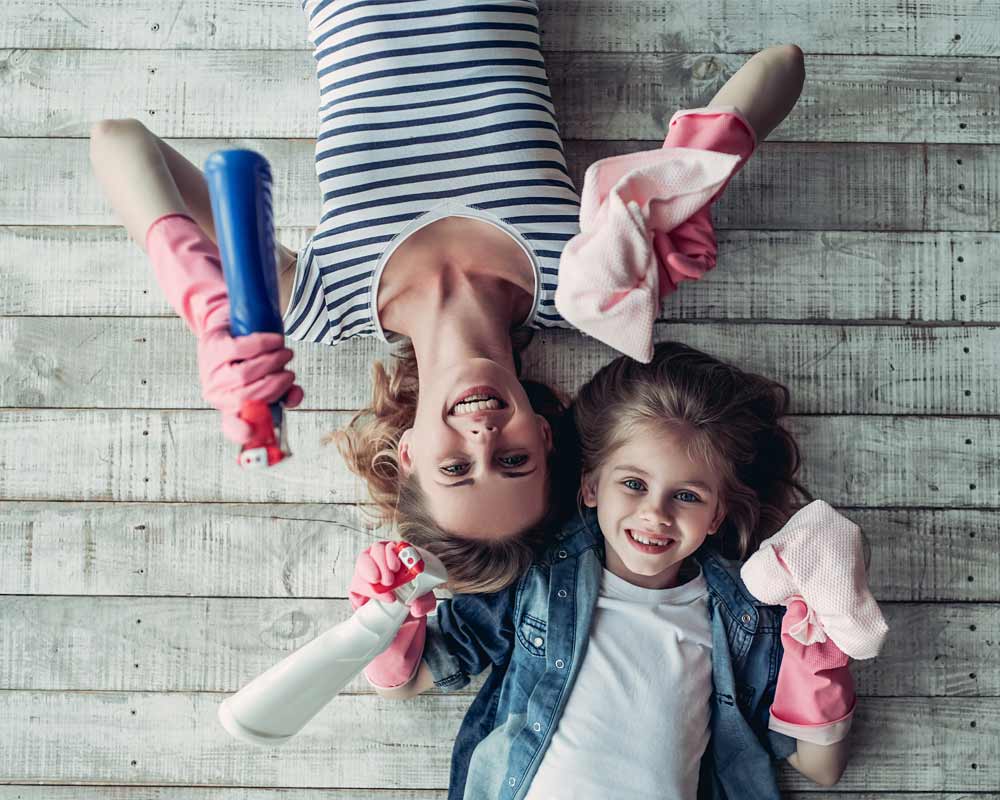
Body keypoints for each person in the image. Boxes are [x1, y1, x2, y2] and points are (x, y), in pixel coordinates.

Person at [88, 0, 804, 580]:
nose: (484, 437)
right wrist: (689, 179)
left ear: (407, 451)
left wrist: (207, 309)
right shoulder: (585, 283)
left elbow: (120, 140)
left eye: (457, 467)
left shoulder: (321, 303)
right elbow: (783, 67)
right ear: (546, 438)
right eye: (514, 460)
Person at [348, 342, 886, 798]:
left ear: (718, 513)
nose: (656, 513)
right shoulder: (536, 579)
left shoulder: (744, 618)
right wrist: (387, 617)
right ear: (589, 487)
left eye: (687, 495)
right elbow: (409, 680)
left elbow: (820, 766)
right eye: (633, 484)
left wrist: (819, 659)